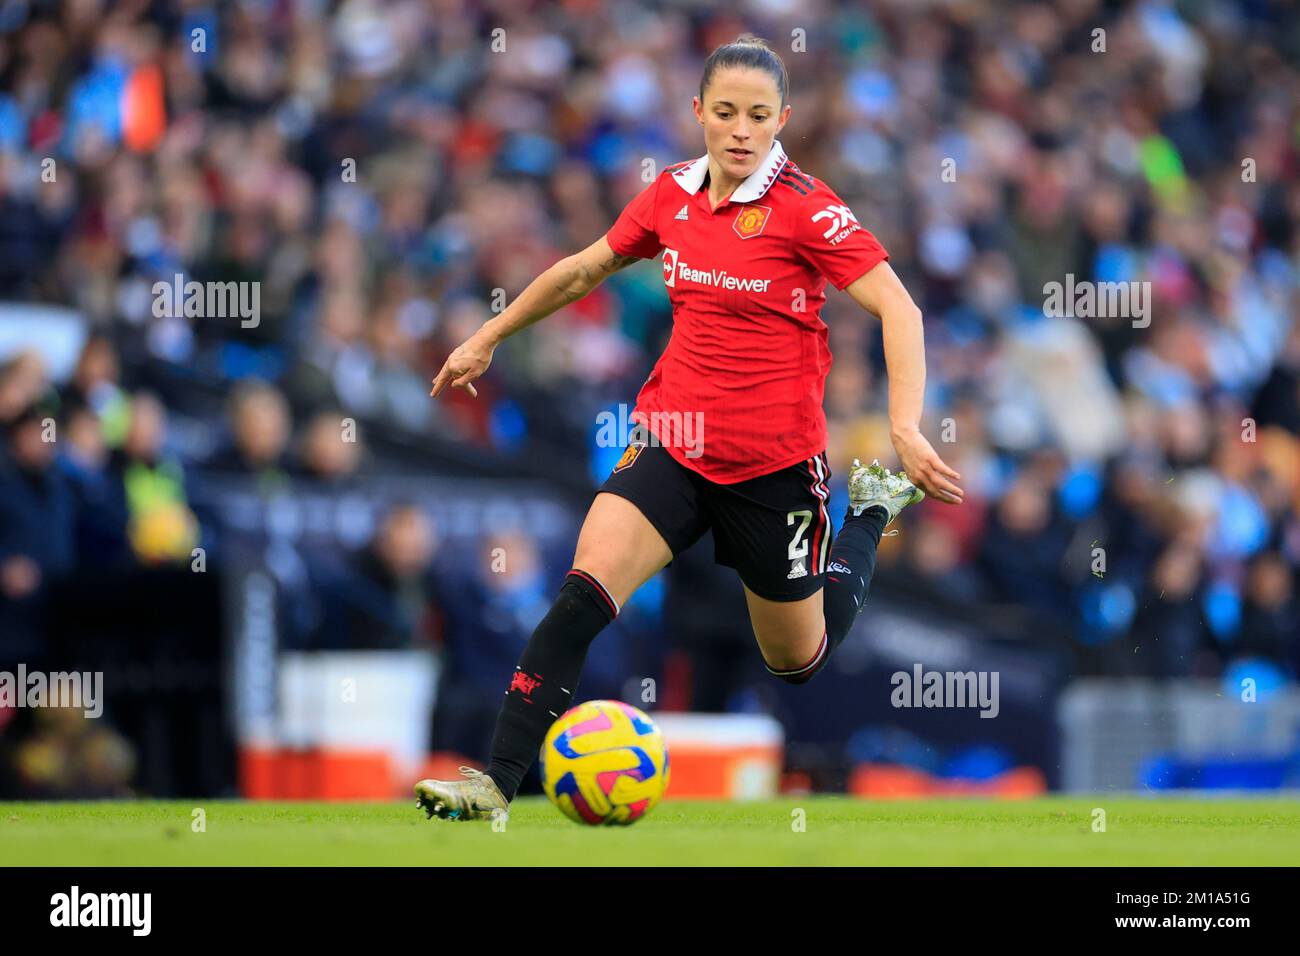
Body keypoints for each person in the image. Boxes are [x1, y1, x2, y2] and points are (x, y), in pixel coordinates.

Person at [415, 35, 963, 821]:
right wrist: (488, 336)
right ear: (699, 112)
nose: (742, 130)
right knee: (581, 592)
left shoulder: (809, 208)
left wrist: (903, 426)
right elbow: (583, 268)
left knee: (796, 660)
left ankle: (870, 511)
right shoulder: (669, 194)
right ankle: (494, 784)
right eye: (728, 112)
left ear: (783, 121)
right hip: (671, 445)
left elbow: (900, 306)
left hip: (776, 468)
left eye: (760, 116)